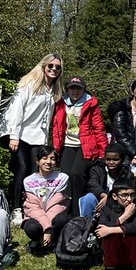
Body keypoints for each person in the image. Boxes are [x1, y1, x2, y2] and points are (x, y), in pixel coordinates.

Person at [0, 53, 64, 224]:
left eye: (57, 67)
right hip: (17, 133)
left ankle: (31, 206)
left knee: (35, 170)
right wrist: (14, 136)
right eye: (51, 66)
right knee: (22, 167)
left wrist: (45, 140)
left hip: (36, 136)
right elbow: (17, 109)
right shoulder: (29, 83)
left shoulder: (53, 90)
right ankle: (16, 208)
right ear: (43, 66)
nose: (54, 69)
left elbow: (46, 118)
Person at [51, 77, 108, 214]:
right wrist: (55, 147)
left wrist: (103, 152)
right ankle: (65, 211)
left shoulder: (90, 105)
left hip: (85, 146)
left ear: (83, 90)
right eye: (72, 88)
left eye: (78, 88)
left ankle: (77, 212)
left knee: (77, 174)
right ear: (68, 89)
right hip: (67, 144)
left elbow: (99, 129)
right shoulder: (61, 104)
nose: (75, 91)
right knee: (65, 177)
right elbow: (56, 127)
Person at [95, 178, 136, 270]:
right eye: (124, 195)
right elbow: (100, 229)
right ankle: (110, 269)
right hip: (113, 250)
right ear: (115, 196)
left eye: (132, 195)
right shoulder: (106, 208)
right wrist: (124, 217)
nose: (129, 199)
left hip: (133, 250)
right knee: (109, 235)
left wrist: (111, 229)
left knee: (132, 232)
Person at [21, 145, 70, 254]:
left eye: (52, 159)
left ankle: (54, 241)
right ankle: (38, 240)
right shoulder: (28, 181)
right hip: (36, 215)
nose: (48, 162)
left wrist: (48, 230)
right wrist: (47, 228)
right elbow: (33, 207)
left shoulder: (62, 178)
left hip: (54, 214)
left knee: (62, 220)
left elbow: (56, 205)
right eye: (44, 158)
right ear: (37, 161)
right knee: (31, 227)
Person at [78, 144, 130, 218]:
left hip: (118, 203)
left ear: (122, 160)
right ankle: (86, 223)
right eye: (108, 159)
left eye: (115, 160)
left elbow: (127, 191)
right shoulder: (97, 169)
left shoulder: (127, 172)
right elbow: (92, 183)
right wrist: (104, 195)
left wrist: (109, 198)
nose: (111, 162)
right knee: (88, 198)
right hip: (100, 200)